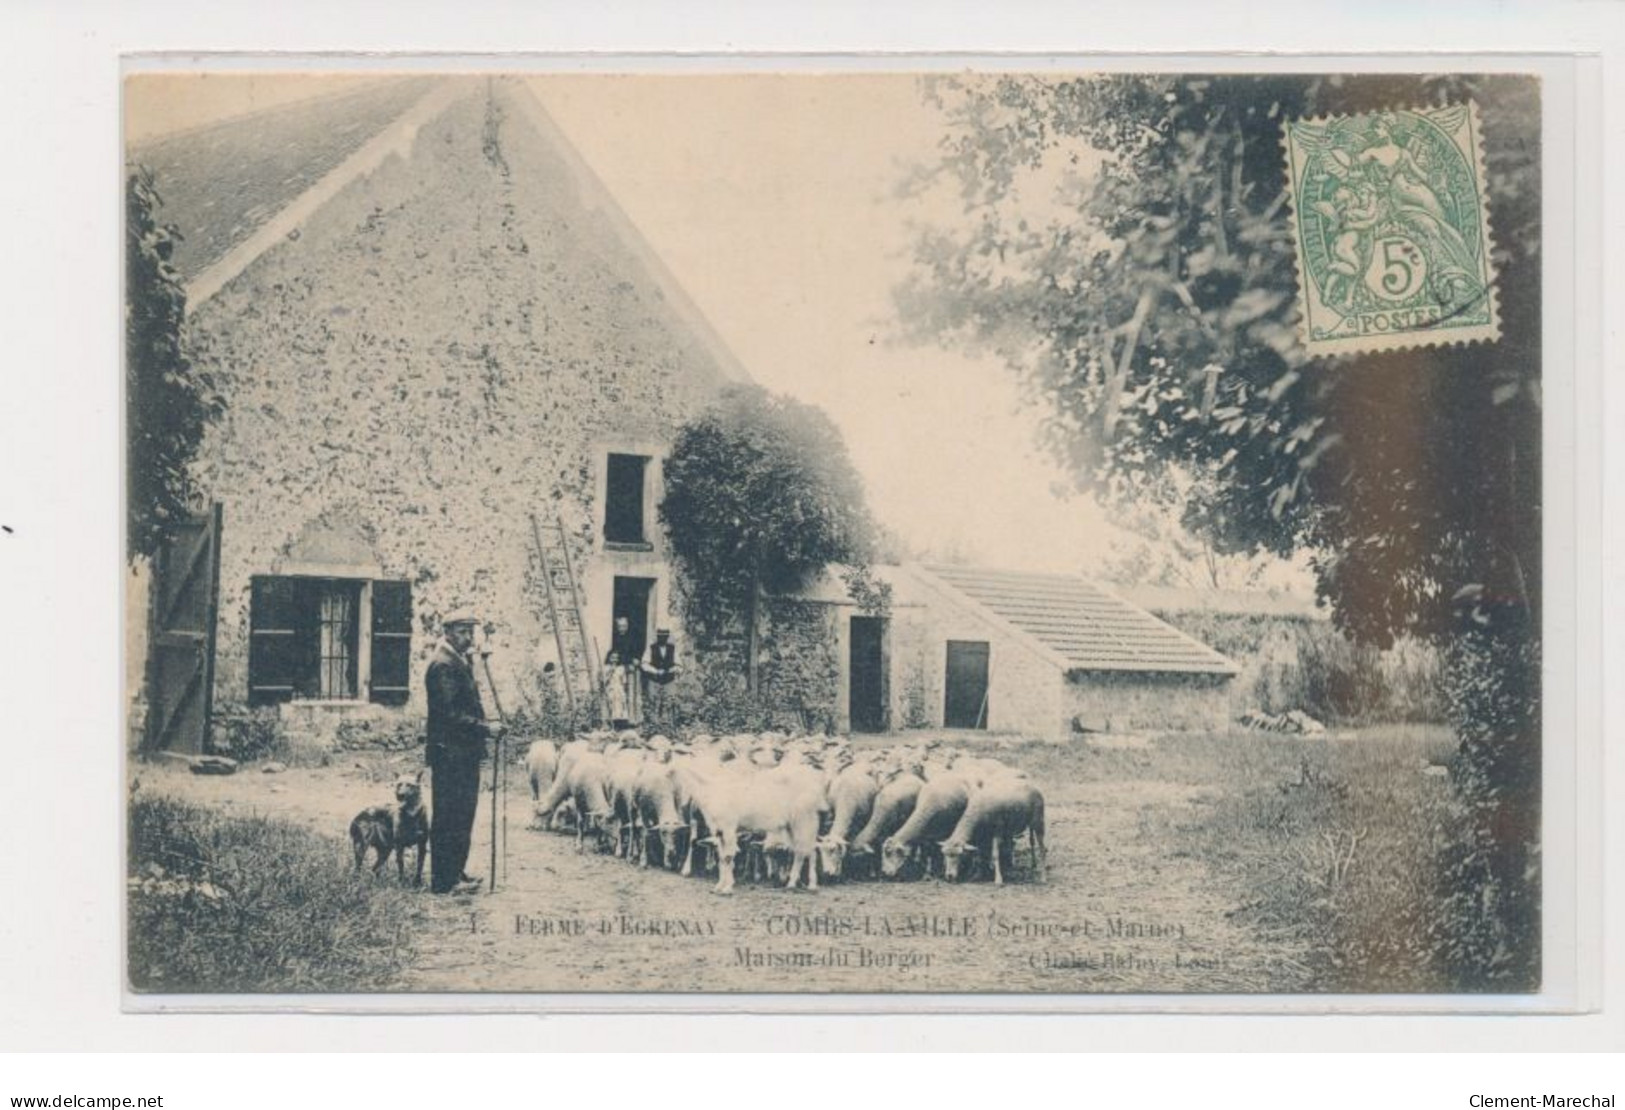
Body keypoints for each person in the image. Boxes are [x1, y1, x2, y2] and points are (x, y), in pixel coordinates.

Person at [425, 607, 503, 895]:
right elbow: (450, 715)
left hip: (462, 753)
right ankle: (444, 880)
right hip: (450, 754)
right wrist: (486, 728)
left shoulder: (458, 660)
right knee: (450, 816)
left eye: (471, 631)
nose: (468, 637)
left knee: (462, 815)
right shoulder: (443, 664)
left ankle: (455, 871)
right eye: (462, 631)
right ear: (447, 632)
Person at [640, 627, 682, 726]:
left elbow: (679, 665)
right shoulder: (651, 648)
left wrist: (671, 670)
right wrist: (655, 671)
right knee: (653, 701)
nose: (662, 638)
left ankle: (667, 723)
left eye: (664, 636)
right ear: (657, 636)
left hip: (668, 680)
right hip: (654, 679)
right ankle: (653, 723)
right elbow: (644, 664)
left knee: (668, 701)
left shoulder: (672, 649)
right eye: (660, 636)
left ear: (667, 637)